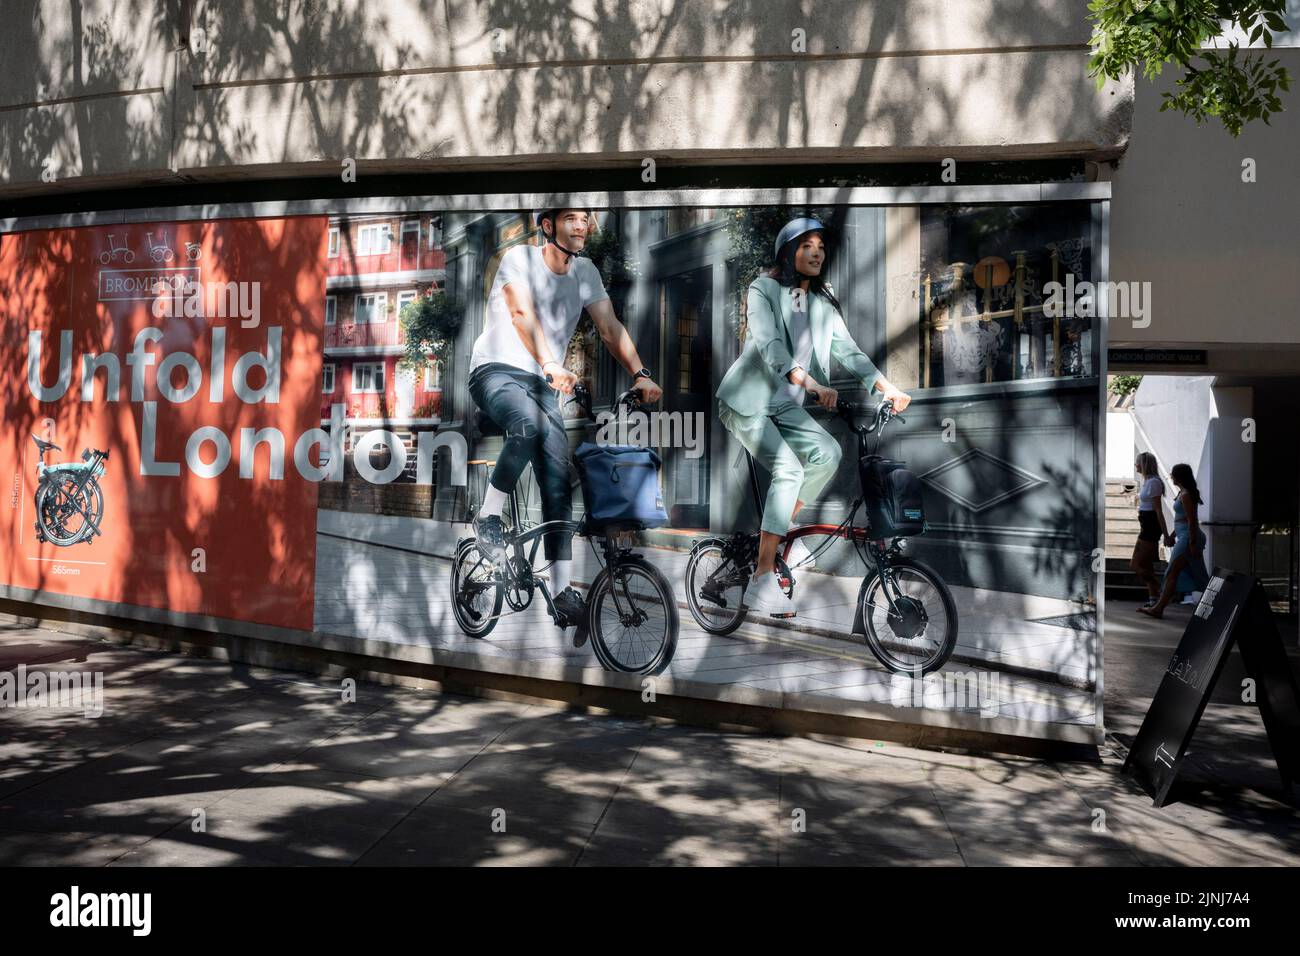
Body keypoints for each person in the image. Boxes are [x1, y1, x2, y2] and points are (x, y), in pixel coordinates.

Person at [468, 207, 663, 626]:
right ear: (548, 225)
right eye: (571, 217)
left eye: (586, 218)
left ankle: (561, 592)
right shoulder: (519, 259)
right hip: (496, 371)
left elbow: (609, 326)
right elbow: (521, 314)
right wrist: (550, 363)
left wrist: (640, 373)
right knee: (526, 426)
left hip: (542, 384)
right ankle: (487, 516)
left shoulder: (586, 271)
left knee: (558, 485)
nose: (581, 225)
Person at [716, 217, 912, 617]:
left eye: (820, 245)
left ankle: (777, 532)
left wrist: (886, 388)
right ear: (787, 251)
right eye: (806, 245)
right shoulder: (763, 289)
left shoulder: (821, 303)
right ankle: (762, 577)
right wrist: (811, 385)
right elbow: (770, 344)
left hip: (786, 404)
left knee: (827, 453)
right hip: (748, 400)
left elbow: (850, 352)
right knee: (788, 470)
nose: (816, 251)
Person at [1138, 462, 1210, 619]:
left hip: (1189, 538)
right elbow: (1181, 520)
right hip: (1185, 537)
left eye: (1172, 474)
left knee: (1173, 573)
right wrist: (1171, 535)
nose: (1170, 477)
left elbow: (1192, 520)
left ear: (1179, 477)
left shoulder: (1185, 495)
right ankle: (1159, 608)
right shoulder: (1183, 493)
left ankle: (1158, 608)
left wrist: (1191, 543)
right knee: (1186, 574)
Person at [1129, 452, 1169, 609]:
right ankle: (1153, 600)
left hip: (1151, 526)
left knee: (1136, 565)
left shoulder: (1154, 483)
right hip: (1146, 524)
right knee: (1145, 565)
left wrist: (1165, 535)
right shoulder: (1147, 481)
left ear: (1144, 464)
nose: (1135, 465)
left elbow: (1158, 510)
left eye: (1137, 462)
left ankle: (1160, 590)